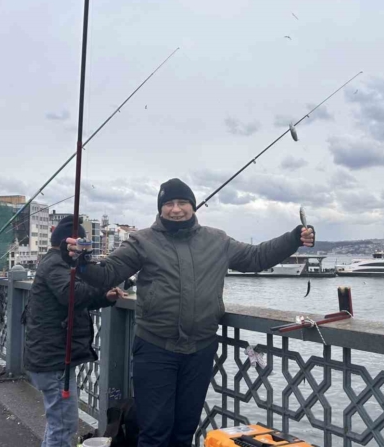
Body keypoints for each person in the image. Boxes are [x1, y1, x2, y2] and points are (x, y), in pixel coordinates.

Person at [64, 178, 315, 447]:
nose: (176, 209)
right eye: (169, 203)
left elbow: (256, 257)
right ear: (160, 209)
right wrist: (81, 261)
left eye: (182, 202)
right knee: (155, 432)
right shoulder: (142, 241)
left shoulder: (217, 239)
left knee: (185, 430)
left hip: (200, 350)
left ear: (193, 206)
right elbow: (109, 272)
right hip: (155, 348)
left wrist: (292, 239)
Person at [25, 215, 124, 447]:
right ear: (69, 244)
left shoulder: (53, 263)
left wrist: (104, 296)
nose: (83, 250)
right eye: (82, 244)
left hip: (50, 355)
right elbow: (71, 293)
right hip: (54, 358)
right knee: (63, 425)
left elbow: (73, 301)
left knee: (58, 422)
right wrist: (101, 283)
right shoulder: (56, 263)